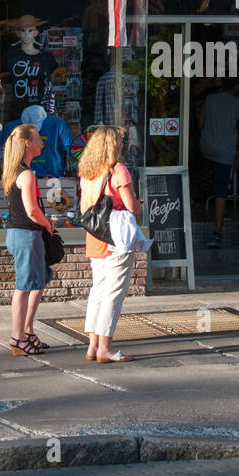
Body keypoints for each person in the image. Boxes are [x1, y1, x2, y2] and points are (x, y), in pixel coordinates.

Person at [78, 126, 142, 363]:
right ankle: (105, 347)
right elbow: (132, 207)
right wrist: (139, 203)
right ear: (114, 145)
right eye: (122, 141)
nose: (124, 144)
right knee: (114, 293)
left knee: (98, 290)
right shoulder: (118, 170)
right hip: (116, 238)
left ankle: (92, 345)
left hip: (95, 236)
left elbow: (86, 207)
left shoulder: (87, 171)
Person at [2, 124, 54, 356]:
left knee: (36, 282)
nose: (41, 142)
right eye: (37, 139)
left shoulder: (16, 172)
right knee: (24, 286)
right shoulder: (26, 174)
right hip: (26, 233)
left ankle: (27, 331)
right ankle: (17, 336)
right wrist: (47, 223)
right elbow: (31, 210)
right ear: (26, 144)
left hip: (20, 233)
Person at [198, 79, 239, 248]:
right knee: (221, 191)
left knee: (206, 180)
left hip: (207, 147)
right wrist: (238, 156)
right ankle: (217, 231)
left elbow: (200, 123)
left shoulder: (210, 99)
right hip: (225, 152)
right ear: (237, 87)